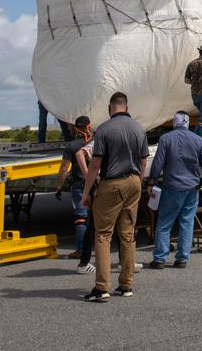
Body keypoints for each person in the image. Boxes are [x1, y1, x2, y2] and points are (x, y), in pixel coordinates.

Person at [80, 91, 149, 302]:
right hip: (134, 182)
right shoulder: (139, 128)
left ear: (110, 108)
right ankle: (126, 284)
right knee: (127, 235)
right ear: (126, 108)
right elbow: (144, 160)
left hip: (112, 183)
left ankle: (101, 287)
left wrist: (86, 192)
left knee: (103, 235)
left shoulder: (104, 129)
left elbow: (95, 164)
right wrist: (139, 179)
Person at [144, 111, 202, 270]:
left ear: (174, 123)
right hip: (192, 189)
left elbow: (158, 163)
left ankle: (160, 259)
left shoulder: (165, 139)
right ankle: (182, 258)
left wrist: (151, 182)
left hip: (172, 188)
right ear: (187, 123)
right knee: (187, 223)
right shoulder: (198, 140)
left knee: (164, 223)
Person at [55, 116, 95, 274]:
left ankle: (81, 250)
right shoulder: (96, 141)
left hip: (79, 184)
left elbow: (64, 168)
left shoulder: (71, 146)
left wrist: (59, 187)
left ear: (75, 128)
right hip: (95, 184)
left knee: (81, 218)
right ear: (89, 127)